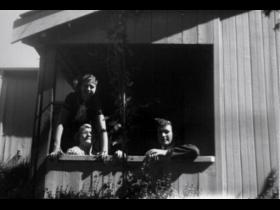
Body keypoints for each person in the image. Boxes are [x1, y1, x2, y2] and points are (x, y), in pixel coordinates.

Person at [49, 74, 108, 158]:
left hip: (86, 133)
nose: (88, 89)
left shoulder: (96, 102)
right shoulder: (71, 98)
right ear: (80, 86)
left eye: (92, 86)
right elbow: (61, 122)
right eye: (86, 86)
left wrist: (104, 150)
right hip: (69, 133)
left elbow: (102, 127)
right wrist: (56, 147)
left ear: (96, 88)